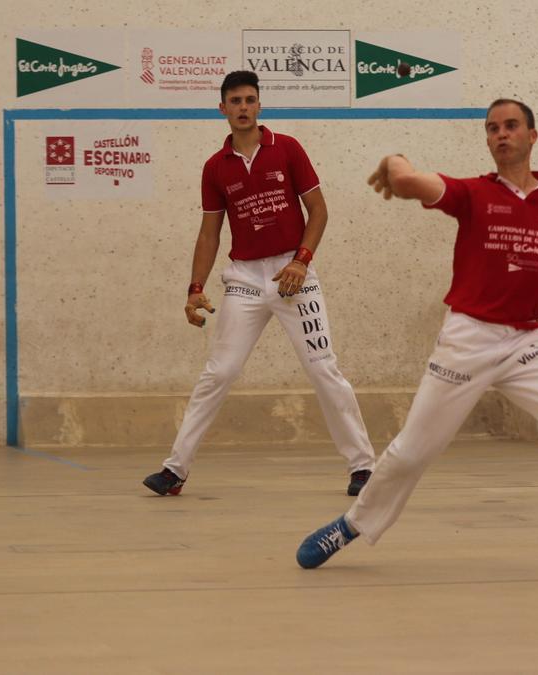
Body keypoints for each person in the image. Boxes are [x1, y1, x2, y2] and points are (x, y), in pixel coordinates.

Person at [295, 98, 538, 576]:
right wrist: (394, 164)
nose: (501, 134)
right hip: (468, 337)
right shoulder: (473, 194)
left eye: (511, 126)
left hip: (525, 343)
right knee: (413, 451)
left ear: (533, 136)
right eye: (492, 128)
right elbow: (411, 181)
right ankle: (349, 526)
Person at [143, 70, 375, 497]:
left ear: (259, 105)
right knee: (219, 372)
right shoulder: (215, 167)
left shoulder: (287, 148)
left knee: (323, 368)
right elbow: (209, 232)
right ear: (223, 109)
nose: (244, 107)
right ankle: (174, 470)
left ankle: (363, 468)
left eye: (250, 100)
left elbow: (319, 211)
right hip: (245, 280)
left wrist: (301, 262)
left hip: (294, 276)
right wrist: (195, 288)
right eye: (235, 101)